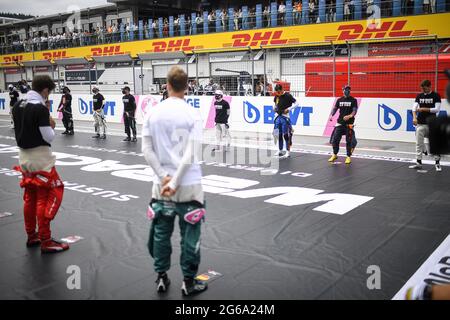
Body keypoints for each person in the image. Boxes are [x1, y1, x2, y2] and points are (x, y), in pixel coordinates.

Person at [142, 66, 207, 296]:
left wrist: (165, 179)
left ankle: (161, 276)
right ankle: (188, 282)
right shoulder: (192, 114)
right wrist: (176, 181)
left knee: (161, 232)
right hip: (188, 185)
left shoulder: (152, 113)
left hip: (161, 186)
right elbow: (191, 153)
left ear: (166, 86)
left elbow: (146, 150)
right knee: (190, 232)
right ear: (187, 86)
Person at [12, 75, 69, 254]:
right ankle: (46, 239)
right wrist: (51, 124)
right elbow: (49, 136)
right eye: (49, 92)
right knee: (48, 194)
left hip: (23, 156)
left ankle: (32, 235)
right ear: (45, 90)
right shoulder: (40, 109)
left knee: (30, 197)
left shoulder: (17, 105)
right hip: (40, 156)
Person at [409, 79, 442, 172]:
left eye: (425, 88)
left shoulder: (436, 95)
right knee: (418, 143)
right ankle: (419, 162)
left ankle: (437, 163)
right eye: (422, 89)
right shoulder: (419, 96)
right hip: (421, 123)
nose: (423, 90)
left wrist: (423, 109)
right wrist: (414, 118)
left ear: (429, 86)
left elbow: (436, 109)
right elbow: (414, 108)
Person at [328, 85, 358, 165]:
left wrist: (350, 116)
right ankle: (334, 154)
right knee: (335, 140)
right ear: (343, 90)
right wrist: (331, 115)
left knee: (349, 141)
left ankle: (348, 156)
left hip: (349, 124)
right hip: (340, 123)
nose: (347, 91)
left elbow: (354, 110)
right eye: (345, 89)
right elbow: (335, 108)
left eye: (348, 90)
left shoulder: (353, 100)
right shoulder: (339, 100)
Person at [273, 84, 297, 158]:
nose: (278, 93)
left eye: (279, 92)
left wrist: (289, 109)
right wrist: (274, 108)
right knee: (277, 134)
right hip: (277, 117)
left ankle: (287, 151)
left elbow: (297, 103)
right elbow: (275, 104)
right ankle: (279, 150)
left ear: (282, 89)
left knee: (286, 135)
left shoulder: (288, 96)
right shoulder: (276, 96)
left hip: (285, 117)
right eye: (277, 92)